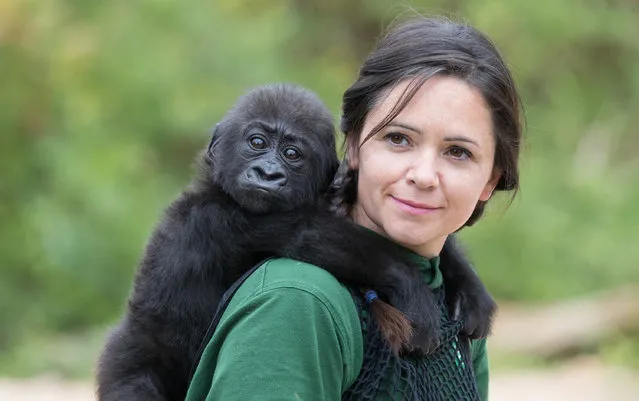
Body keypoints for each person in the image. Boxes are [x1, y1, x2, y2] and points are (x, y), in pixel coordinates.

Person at [185, 15, 522, 401]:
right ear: (356, 145)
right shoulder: (298, 303)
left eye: (458, 152)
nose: (424, 175)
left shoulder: (456, 303)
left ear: (491, 180)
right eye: (399, 139)